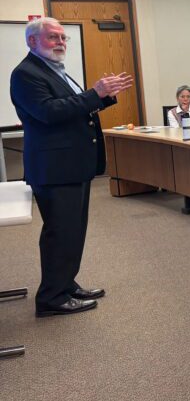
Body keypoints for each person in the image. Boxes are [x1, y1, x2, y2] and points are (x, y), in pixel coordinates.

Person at [10, 17, 133, 316]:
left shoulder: (55, 70)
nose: (61, 43)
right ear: (32, 41)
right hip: (54, 168)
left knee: (74, 230)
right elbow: (49, 113)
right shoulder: (26, 74)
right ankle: (51, 298)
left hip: (72, 164)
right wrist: (95, 94)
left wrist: (101, 98)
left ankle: (66, 284)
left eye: (63, 38)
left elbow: (75, 106)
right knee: (60, 231)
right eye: (53, 37)